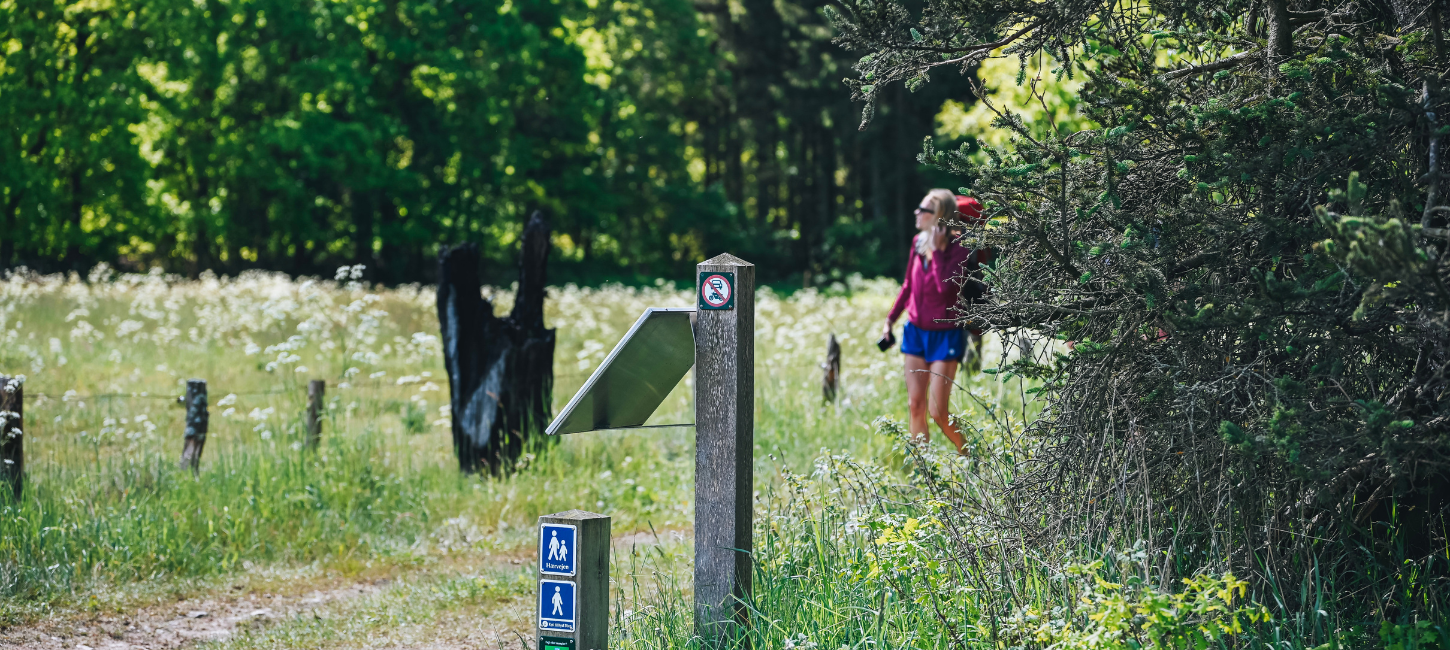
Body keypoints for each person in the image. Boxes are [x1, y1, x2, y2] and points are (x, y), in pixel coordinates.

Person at [880, 188, 985, 453]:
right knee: (915, 405)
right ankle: (924, 471)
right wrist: (889, 321)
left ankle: (970, 456)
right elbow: (908, 286)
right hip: (916, 331)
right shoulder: (918, 243)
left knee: (938, 411)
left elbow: (946, 290)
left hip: (946, 333)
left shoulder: (960, 247)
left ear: (940, 216)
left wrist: (937, 252)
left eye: (924, 210)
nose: (917, 213)